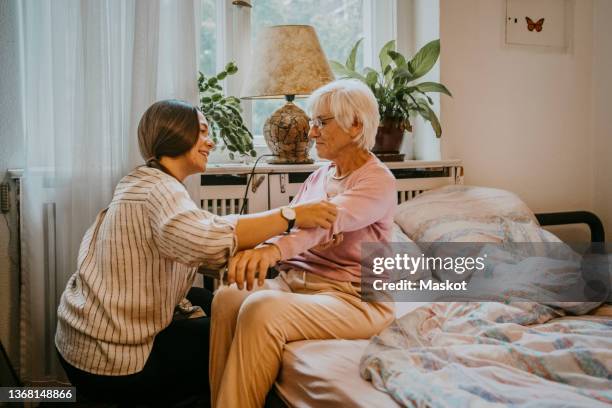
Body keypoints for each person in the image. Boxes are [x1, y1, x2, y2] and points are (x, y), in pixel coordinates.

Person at [54, 99, 337, 406]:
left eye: (323, 122)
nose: (211, 141)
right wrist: (290, 216)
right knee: (237, 347)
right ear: (176, 134)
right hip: (110, 360)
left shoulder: (141, 180)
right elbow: (209, 238)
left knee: (209, 302)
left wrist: (263, 247)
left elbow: (205, 229)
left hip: (80, 337)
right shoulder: (161, 191)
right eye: (202, 131)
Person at [210, 79, 397, 408]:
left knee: (261, 310)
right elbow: (291, 223)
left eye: (321, 123)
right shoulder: (319, 176)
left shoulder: (377, 181)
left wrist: (273, 251)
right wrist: (255, 249)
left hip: (355, 299)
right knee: (228, 296)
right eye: (313, 123)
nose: (312, 133)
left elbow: (323, 223)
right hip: (296, 283)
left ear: (355, 124)